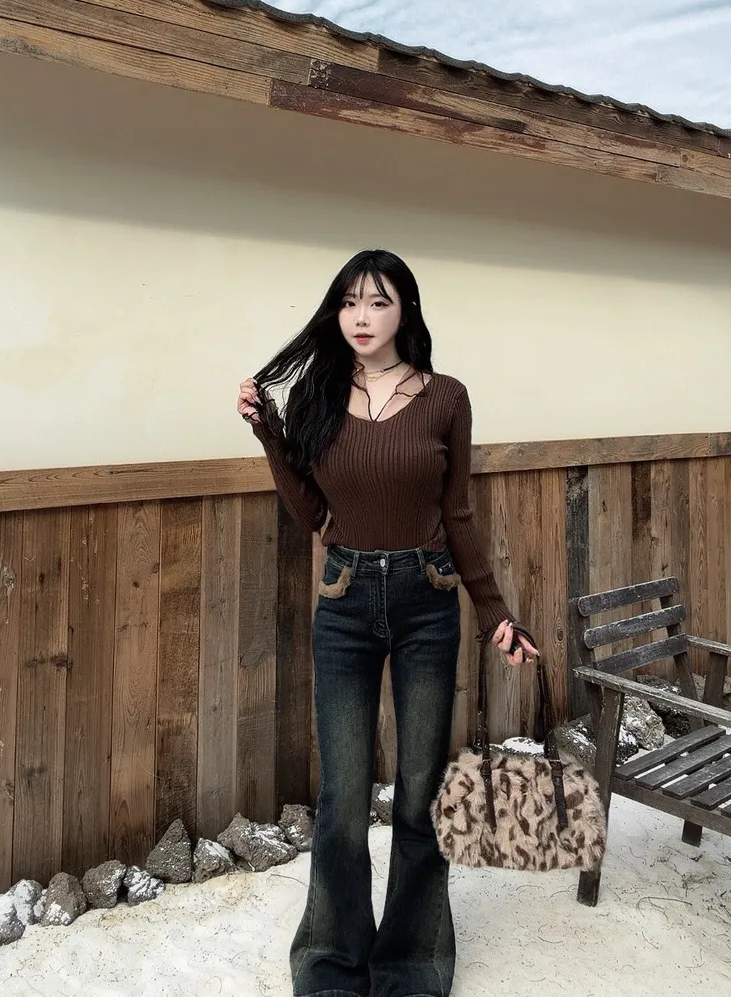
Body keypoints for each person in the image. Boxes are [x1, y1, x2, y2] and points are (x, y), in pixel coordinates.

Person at [236, 248, 537, 997]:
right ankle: (331, 963)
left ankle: (411, 962)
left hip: (427, 598)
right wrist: (270, 434)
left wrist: (495, 612)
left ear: (406, 310)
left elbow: (458, 513)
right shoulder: (316, 394)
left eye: (377, 301)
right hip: (343, 600)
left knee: (419, 790)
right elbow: (312, 513)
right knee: (342, 797)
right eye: (348, 302)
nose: (361, 317)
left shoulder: (446, 398)